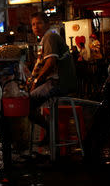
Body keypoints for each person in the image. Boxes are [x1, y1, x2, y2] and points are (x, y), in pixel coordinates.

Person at [27, 12, 77, 144]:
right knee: (28, 101)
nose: (36, 27)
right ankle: (51, 132)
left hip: (59, 83)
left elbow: (50, 63)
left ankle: (51, 131)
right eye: (33, 24)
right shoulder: (47, 39)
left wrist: (36, 82)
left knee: (26, 103)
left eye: (39, 23)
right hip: (56, 82)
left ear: (46, 24)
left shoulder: (50, 37)